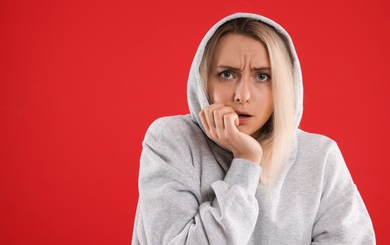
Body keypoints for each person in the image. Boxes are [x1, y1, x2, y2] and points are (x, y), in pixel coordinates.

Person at [132, 13, 375, 244]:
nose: (242, 96)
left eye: (262, 77)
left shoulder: (320, 156)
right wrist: (246, 162)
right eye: (227, 74)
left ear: (282, 85)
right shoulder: (171, 140)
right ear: (204, 81)